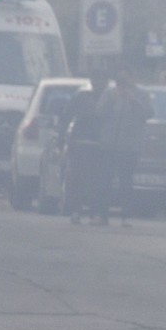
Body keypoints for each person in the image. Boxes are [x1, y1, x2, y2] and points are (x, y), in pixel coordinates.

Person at [93, 67, 153, 226]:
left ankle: (126, 216)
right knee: (104, 180)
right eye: (119, 81)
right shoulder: (109, 93)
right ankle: (101, 214)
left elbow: (149, 113)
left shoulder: (143, 94)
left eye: (125, 81)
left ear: (133, 79)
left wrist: (133, 100)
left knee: (125, 181)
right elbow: (98, 112)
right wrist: (112, 99)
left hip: (130, 146)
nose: (122, 85)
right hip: (109, 144)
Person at [62, 73, 109, 224]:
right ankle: (76, 211)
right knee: (77, 179)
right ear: (91, 81)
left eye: (101, 79)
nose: (98, 82)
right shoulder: (81, 97)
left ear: (106, 81)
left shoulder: (111, 98)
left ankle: (95, 212)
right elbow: (66, 116)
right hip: (80, 142)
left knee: (98, 181)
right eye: (96, 79)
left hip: (102, 145)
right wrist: (61, 139)